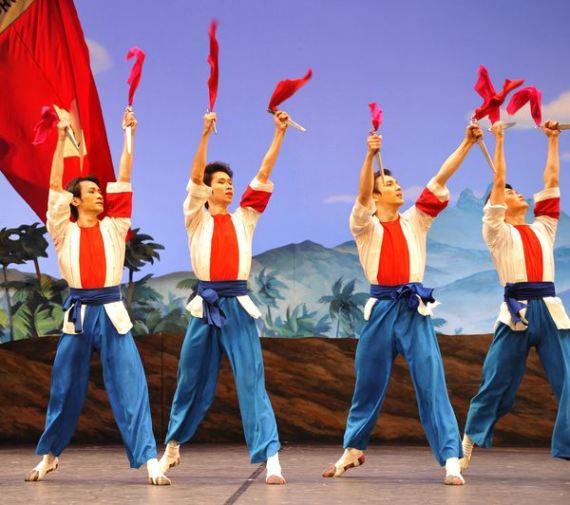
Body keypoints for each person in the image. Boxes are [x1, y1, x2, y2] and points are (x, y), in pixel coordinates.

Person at [323, 124, 483, 485]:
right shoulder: (364, 226)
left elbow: (440, 178)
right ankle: (353, 448)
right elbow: (361, 195)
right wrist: (369, 155)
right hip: (381, 310)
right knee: (368, 382)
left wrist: (467, 143)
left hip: (413, 308)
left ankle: (450, 457)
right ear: (375, 197)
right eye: (389, 184)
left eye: (397, 183)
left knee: (431, 381)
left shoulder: (416, 220)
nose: (397, 187)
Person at [26, 110, 170, 486]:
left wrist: (128, 135)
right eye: (91, 191)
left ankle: (149, 459)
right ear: (75, 201)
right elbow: (54, 185)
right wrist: (61, 138)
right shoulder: (63, 230)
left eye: (99, 191)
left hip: (111, 311)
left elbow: (125, 176)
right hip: (78, 315)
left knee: (131, 385)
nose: (99, 194)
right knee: (64, 387)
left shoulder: (115, 226)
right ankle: (50, 455)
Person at [159, 111, 290, 485]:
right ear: (208, 189)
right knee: (189, 380)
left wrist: (279, 133)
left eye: (231, 182)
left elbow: (263, 174)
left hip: (238, 307)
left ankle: (271, 456)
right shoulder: (195, 217)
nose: (229, 187)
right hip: (206, 306)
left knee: (251, 381)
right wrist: (204, 134)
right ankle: (172, 446)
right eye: (221, 182)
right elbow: (194, 177)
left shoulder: (244, 218)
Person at [461, 120, 570, 470]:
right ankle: (469, 440)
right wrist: (499, 139)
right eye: (510, 193)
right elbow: (498, 182)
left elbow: (552, 181)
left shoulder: (544, 227)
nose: (518, 193)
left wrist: (552, 140)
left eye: (517, 190)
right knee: (497, 381)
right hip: (517, 312)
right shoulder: (495, 231)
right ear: (497, 206)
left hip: (550, 310)